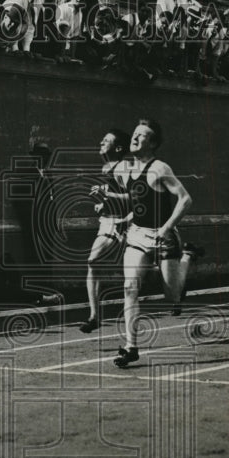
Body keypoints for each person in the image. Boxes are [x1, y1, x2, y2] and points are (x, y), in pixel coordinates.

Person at [115, 120, 201, 368]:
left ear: (152, 143)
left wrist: (166, 229)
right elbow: (141, 202)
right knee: (130, 286)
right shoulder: (127, 170)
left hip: (163, 235)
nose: (135, 137)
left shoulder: (160, 168)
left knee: (172, 296)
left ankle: (187, 257)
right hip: (138, 235)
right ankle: (131, 347)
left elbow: (185, 200)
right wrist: (126, 218)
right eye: (134, 133)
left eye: (142, 136)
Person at [79, 129, 130, 333]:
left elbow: (134, 198)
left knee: (142, 271)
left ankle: (178, 275)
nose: (101, 142)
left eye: (106, 141)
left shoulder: (123, 168)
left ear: (118, 148)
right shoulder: (107, 167)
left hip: (127, 223)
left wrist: (106, 193)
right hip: (109, 222)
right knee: (93, 261)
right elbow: (115, 197)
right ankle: (94, 316)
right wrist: (103, 203)